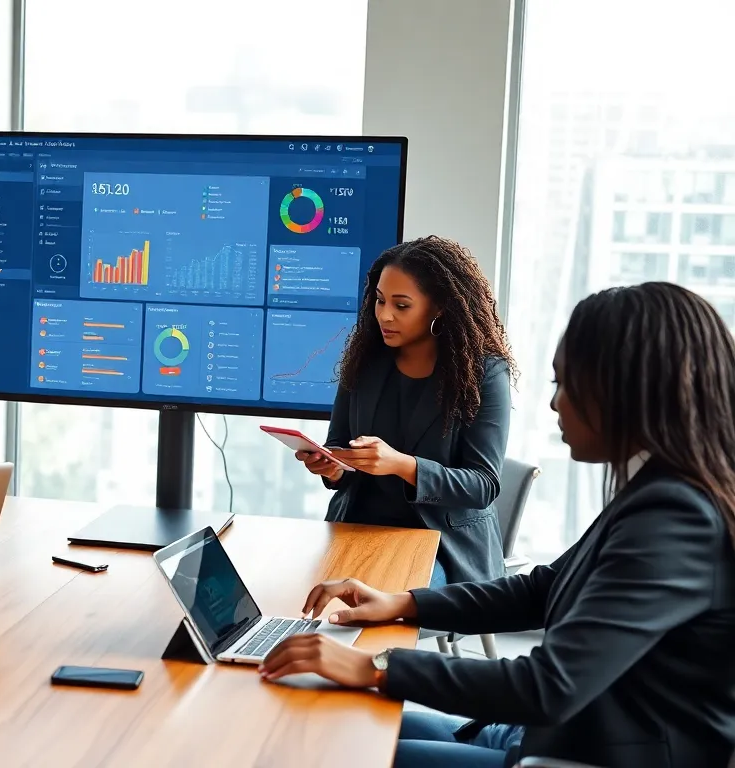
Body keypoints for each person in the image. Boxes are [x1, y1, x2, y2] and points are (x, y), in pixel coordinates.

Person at [261, 282, 735, 768]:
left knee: (326, 752)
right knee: (322, 724)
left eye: (564, 383)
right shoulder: (656, 491)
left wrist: (374, 664)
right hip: (543, 734)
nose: (555, 404)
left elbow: (549, 686)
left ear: (625, 391)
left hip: (579, 753)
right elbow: (541, 591)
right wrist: (401, 603)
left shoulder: (678, 519)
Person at [293, 236, 515, 587]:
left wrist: (402, 465)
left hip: (443, 546)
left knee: (374, 605)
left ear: (439, 306)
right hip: (360, 531)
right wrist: (333, 467)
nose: (384, 315)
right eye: (380, 301)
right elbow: (340, 448)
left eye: (402, 305)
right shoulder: (364, 361)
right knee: (297, 589)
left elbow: (482, 485)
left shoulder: (484, 373)